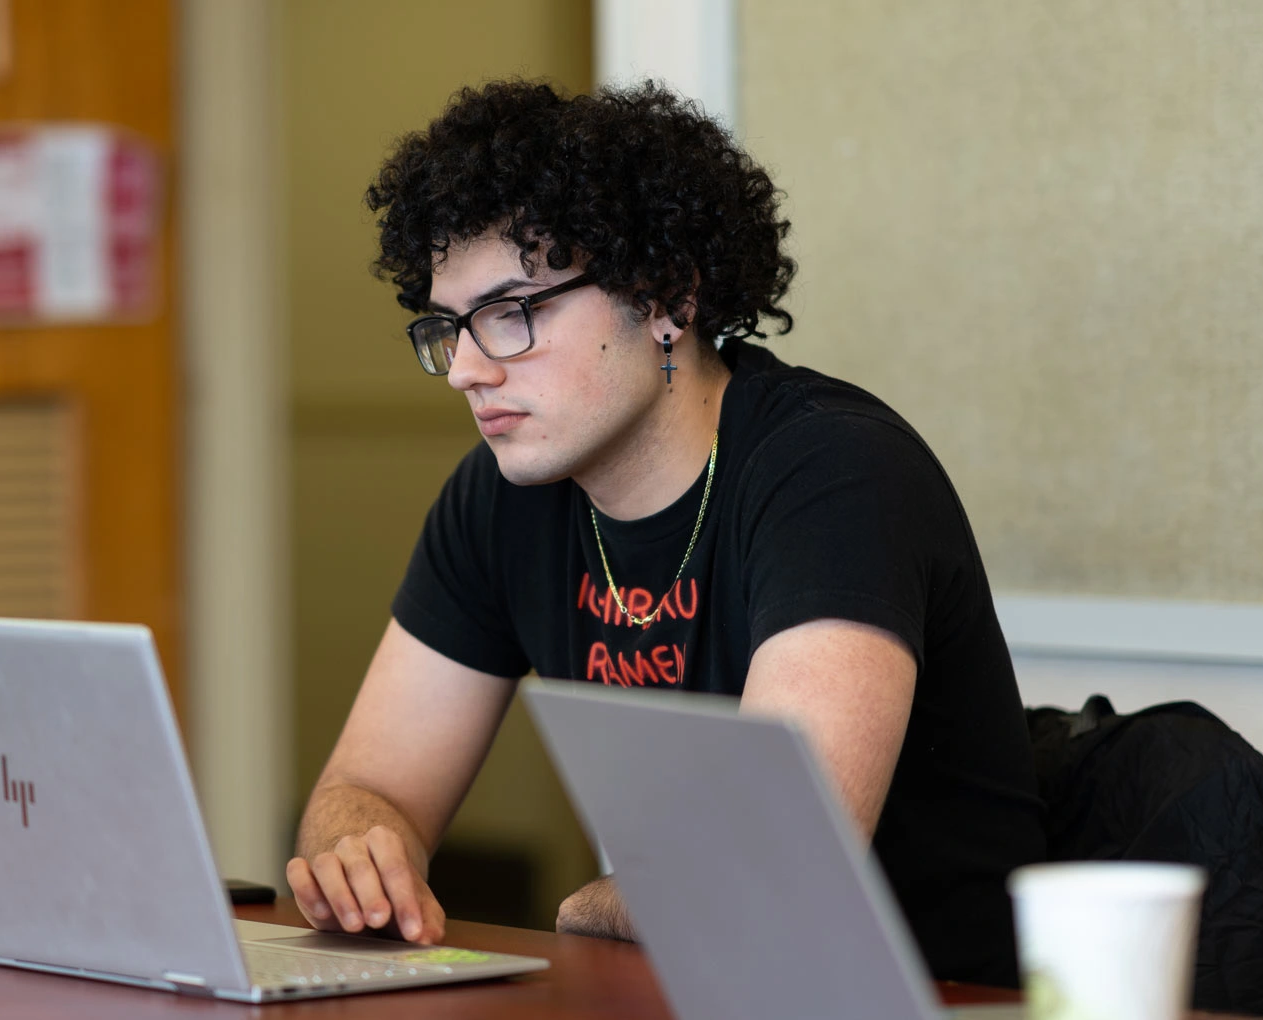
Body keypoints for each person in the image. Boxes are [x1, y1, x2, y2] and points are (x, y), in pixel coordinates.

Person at [284, 80, 1046, 987]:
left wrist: (587, 908)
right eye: (450, 328)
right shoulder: (501, 498)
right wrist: (357, 849)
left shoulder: (834, 474)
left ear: (666, 301)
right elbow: (367, 790)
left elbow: (771, 872)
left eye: (512, 314)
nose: (466, 371)